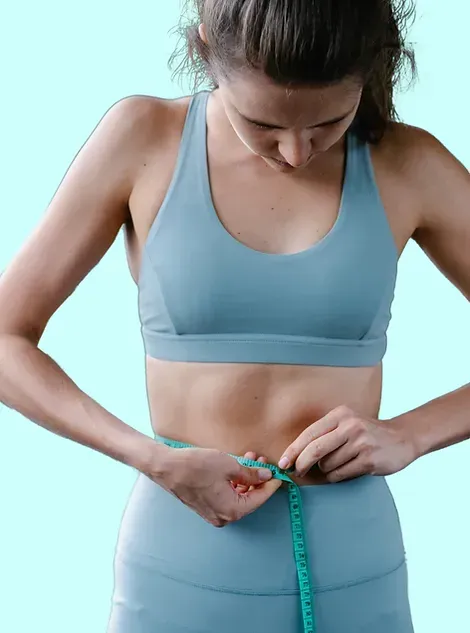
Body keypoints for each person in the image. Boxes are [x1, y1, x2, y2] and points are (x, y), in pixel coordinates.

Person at [0, 0, 469, 631]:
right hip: (178, 555)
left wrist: (412, 434)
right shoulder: (142, 140)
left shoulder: (411, 164)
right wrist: (150, 458)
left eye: (328, 122)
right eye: (262, 123)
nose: (296, 153)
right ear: (204, 54)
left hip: (353, 561)